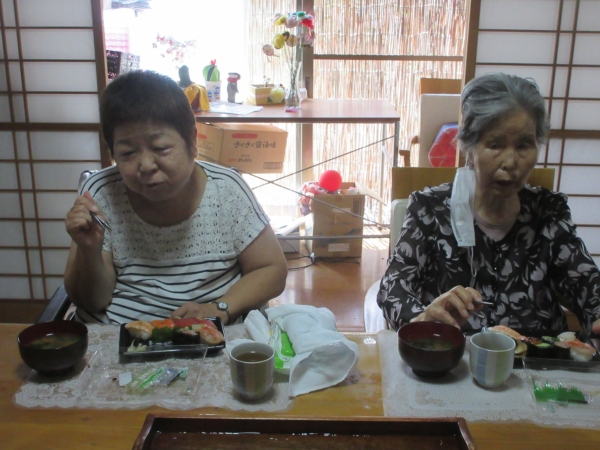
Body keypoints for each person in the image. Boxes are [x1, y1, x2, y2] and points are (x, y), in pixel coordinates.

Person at [378, 73, 600, 334]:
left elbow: (585, 282)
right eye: (495, 145)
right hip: (454, 354)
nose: (510, 162)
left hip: (538, 355)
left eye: (524, 146)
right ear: (469, 148)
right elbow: (393, 288)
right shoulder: (429, 208)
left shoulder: (548, 211)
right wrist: (423, 318)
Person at [64, 70, 288, 325]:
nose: (146, 165)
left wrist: (220, 308)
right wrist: (89, 251)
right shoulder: (100, 191)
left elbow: (271, 270)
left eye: (160, 148)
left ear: (192, 141)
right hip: (118, 337)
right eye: (127, 153)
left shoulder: (226, 189)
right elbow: (92, 301)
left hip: (208, 333)